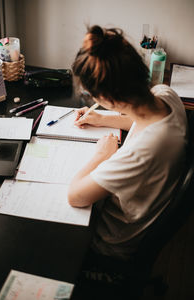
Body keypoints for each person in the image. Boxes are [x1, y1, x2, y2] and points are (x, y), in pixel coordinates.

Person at [68, 25, 188, 262]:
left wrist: (102, 155)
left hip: (109, 243)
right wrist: (101, 118)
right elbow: (139, 119)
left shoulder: (144, 151)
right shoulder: (165, 94)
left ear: (107, 98)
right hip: (140, 205)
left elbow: (75, 196)